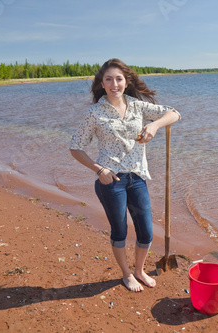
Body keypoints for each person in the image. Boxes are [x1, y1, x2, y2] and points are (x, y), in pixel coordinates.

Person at [69, 58, 180, 292]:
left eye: (118, 79)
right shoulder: (95, 113)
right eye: (108, 79)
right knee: (120, 231)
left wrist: (154, 126)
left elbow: (174, 114)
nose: (114, 84)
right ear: (101, 83)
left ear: (126, 81)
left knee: (146, 232)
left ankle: (139, 270)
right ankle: (126, 274)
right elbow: (76, 147)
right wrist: (99, 169)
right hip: (111, 181)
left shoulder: (138, 106)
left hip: (137, 178)